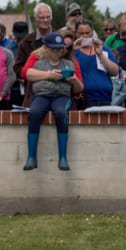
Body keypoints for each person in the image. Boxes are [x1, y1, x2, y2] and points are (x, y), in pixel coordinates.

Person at [23, 32, 83, 171]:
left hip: (62, 95)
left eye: (60, 48)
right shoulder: (39, 64)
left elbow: (79, 88)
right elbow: (27, 74)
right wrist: (49, 75)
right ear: (46, 48)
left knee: (61, 113)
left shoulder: (68, 64)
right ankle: (31, 157)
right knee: (35, 112)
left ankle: (63, 157)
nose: (57, 51)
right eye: (53, 48)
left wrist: (74, 80)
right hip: (42, 95)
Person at [71, 19, 119, 107]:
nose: (84, 36)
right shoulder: (73, 52)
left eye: (87, 33)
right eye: (81, 33)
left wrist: (100, 54)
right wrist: (72, 51)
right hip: (84, 99)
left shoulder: (103, 49)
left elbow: (115, 71)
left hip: (105, 98)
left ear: (92, 33)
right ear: (76, 34)